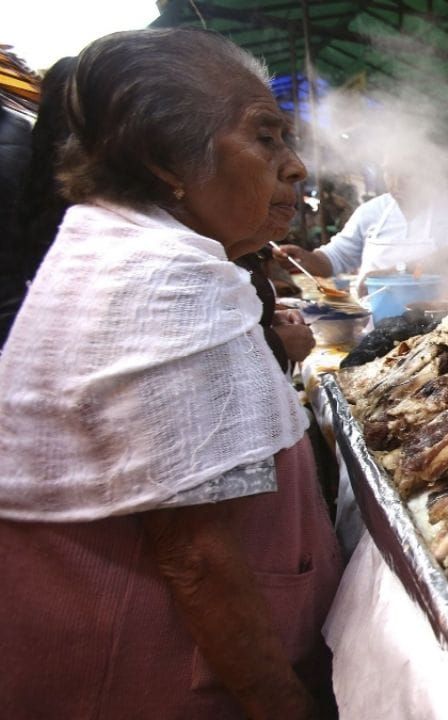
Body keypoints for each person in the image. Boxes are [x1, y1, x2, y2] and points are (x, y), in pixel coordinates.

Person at [0, 28, 341, 718]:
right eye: (266, 138)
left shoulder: (140, 248)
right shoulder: (153, 278)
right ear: (165, 160)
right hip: (150, 676)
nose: (296, 166)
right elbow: (196, 557)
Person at [275, 162, 448, 295]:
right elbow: (333, 259)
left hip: (436, 322)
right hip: (374, 325)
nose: (397, 182)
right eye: (389, 172)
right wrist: (302, 257)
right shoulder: (372, 210)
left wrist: (393, 273)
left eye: (406, 173)